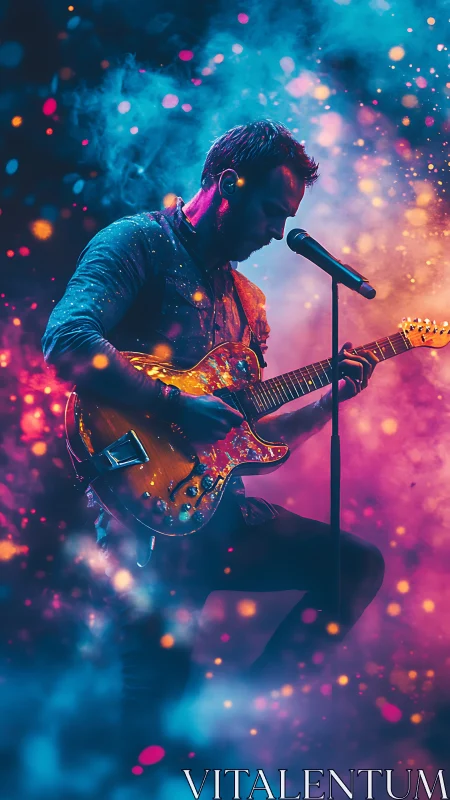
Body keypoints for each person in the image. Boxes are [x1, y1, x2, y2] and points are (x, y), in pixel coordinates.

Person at [42, 119, 384, 765]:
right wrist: (172, 403)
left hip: (212, 508)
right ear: (228, 183)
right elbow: (67, 341)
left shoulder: (250, 304)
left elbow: (243, 440)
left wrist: (325, 404)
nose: (277, 232)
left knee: (354, 565)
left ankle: (238, 718)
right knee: (150, 704)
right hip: (140, 522)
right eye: (271, 212)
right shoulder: (138, 243)